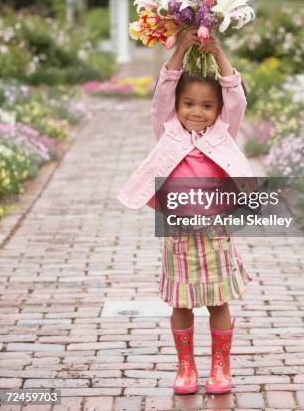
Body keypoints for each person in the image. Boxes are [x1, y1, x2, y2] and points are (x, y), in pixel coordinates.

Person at [117, 28, 255, 395]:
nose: (197, 112)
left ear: (218, 111)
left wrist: (217, 51)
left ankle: (220, 367)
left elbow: (236, 96)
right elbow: (163, 91)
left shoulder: (223, 133)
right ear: (177, 108)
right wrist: (181, 49)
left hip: (214, 231)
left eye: (207, 106)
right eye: (189, 104)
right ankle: (186, 367)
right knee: (181, 300)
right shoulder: (168, 132)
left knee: (217, 299)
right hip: (178, 232)